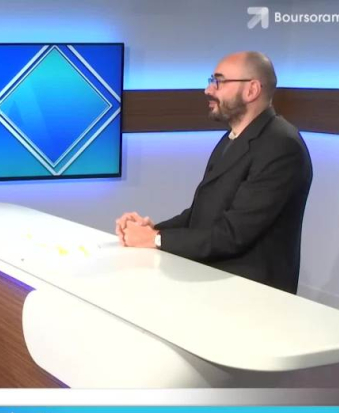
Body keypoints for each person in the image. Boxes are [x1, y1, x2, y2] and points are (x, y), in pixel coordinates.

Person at [116, 51, 312, 294]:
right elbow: (200, 214)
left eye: (218, 81)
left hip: (253, 295)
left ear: (251, 90)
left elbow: (233, 234)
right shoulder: (231, 138)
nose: (208, 90)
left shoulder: (282, 146)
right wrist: (152, 230)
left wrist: (154, 239)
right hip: (214, 284)